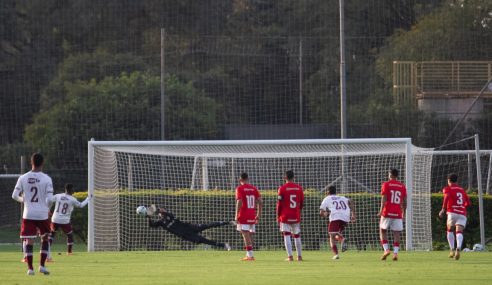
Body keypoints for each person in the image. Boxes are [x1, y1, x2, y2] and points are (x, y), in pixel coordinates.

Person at [12, 153, 54, 275]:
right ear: (42, 163)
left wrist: (23, 200)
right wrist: (48, 208)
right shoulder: (47, 178)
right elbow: (50, 199)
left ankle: (30, 269)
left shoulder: (23, 178)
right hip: (42, 214)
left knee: (29, 241)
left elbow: (14, 196)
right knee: (45, 238)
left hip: (28, 213)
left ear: (31, 162)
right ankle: (42, 266)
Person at [146, 206, 232, 250]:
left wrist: (155, 209)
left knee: (207, 225)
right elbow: (151, 225)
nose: (161, 211)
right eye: (160, 211)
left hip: (189, 227)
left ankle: (228, 222)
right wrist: (148, 217)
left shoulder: (169, 215)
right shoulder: (161, 222)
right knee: (203, 240)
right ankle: (224, 245)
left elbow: (163, 212)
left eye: (162, 210)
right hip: (186, 235)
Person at [47, 183, 90, 259]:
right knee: (69, 235)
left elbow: (49, 200)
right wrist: (88, 199)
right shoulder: (72, 199)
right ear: (70, 190)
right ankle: (69, 252)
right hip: (64, 221)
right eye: (73, 189)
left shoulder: (58, 196)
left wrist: (47, 209)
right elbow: (81, 205)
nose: (73, 191)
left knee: (52, 235)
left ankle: (47, 250)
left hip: (55, 219)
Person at [439, 173, 471, 260]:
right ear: (457, 180)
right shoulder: (462, 190)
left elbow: (446, 198)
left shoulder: (447, 189)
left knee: (450, 230)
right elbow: (468, 203)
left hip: (452, 212)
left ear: (449, 180)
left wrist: (443, 209)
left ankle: (452, 250)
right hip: (462, 213)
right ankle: (458, 248)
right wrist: (462, 207)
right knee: (459, 232)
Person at [319, 186, 355, 260]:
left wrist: (324, 214)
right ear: (335, 192)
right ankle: (337, 250)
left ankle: (340, 243)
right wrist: (353, 214)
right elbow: (350, 201)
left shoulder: (327, 198)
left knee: (331, 235)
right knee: (335, 235)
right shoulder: (341, 197)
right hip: (345, 217)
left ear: (327, 192)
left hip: (336, 216)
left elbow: (321, 212)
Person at [378, 168, 407, 261]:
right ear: (397, 175)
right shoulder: (402, 186)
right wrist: (404, 213)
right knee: (396, 233)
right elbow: (404, 201)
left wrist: (380, 210)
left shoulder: (386, 184)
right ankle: (395, 254)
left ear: (390, 175)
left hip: (387, 212)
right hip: (397, 212)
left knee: (382, 230)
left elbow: (384, 199)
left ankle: (386, 250)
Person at [276, 170, 304, 261]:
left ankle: (290, 256)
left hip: (285, 216)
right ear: (293, 177)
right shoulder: (299, 188)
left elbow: (279, 204)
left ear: (285, 178)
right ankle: (299, 256)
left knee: (286, 235)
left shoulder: (282, 188)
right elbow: (302, 203)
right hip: (295, 214)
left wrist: (278, 216)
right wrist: (299, 212)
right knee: (297, 235)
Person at [235, 172, 262, 261]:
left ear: (240, 180)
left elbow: (239, 201)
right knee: (249, 235)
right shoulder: (254, 189)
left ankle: (250, 255)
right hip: (252, 214)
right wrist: (258, 214)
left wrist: (236, 215)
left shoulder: (239, 188)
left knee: (245, 234)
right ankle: (248, 254)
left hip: (244, 215)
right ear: (248, 178)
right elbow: (260, 201)